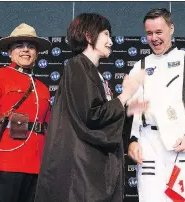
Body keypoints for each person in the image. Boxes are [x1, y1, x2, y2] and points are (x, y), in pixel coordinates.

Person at [35, 13, 146, 202]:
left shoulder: (91, 71)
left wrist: (127, 110)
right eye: (105, 34)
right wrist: (125, 95)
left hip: (85, 169)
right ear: (88, 36)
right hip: (79, 172)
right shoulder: (77, 66)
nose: (110, 41)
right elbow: (91, 116)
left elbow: (97, 115)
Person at [127, 8, 185, 202]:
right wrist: (132, 139)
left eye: (159, 32)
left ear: (171, 29)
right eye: (149, 33)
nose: (154, 38)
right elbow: (133, 110)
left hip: (181, 143)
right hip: (147, 145)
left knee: (180, 199)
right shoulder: (139, 67)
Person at [0, 23, 52, 202]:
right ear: (9, 51)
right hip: (4, 165)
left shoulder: (43, 88)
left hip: (36, 169)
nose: (25, 50)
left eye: (31, 46)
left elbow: (47, 128)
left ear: (37, 53)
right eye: (19, 45)